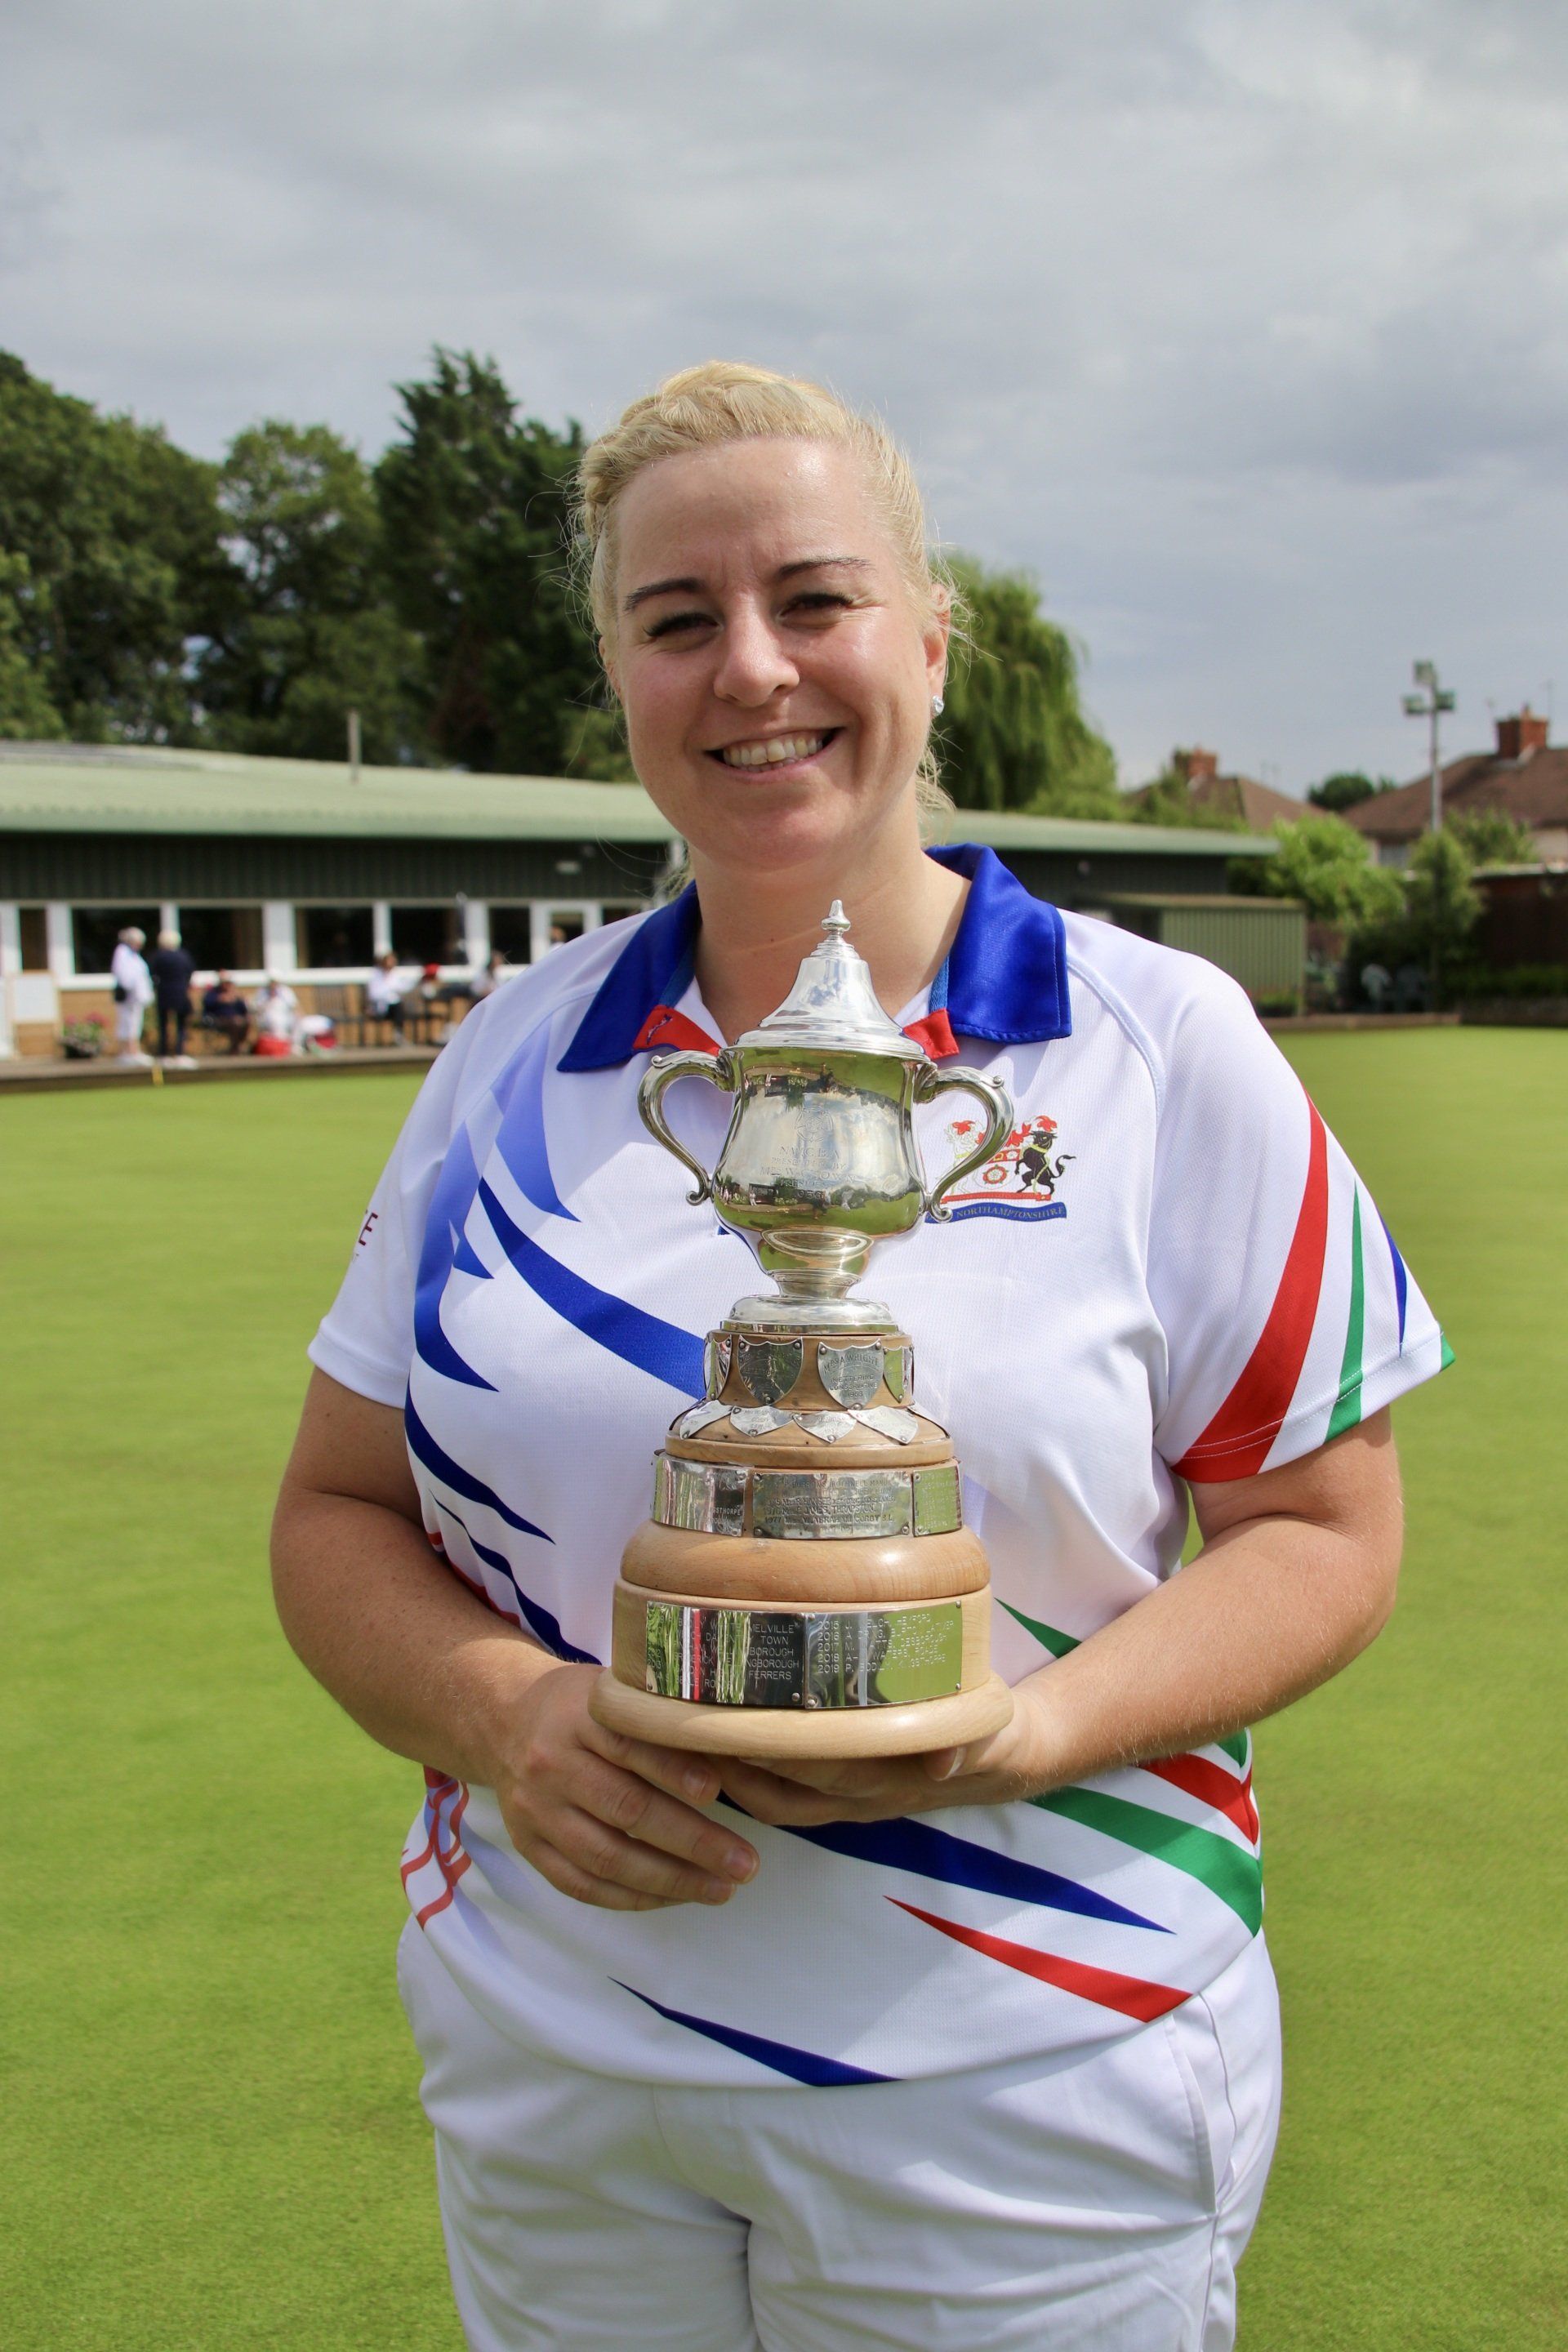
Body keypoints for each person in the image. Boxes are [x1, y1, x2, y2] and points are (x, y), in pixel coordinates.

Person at [273, 363, 1450, 2352]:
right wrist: (504, 1713)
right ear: (620, 674)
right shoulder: (507, 1059)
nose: (753, 668)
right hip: (559, 2071)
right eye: (677, 620)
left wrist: (1026, 1733)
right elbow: (334, 1509)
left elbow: (1326, 1531)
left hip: (1025, 2061)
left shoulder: (1158, 1046)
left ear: (928, 638)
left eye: (813, 599)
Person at [149, 928, 196, 1062]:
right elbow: (190, 972)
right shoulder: (184, 956)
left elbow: (151, 973)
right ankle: (180, 1053)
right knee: (181, 1024)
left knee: (163, 1025)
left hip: (163, 992)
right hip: (180, 992)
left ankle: (163, 1054)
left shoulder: (157, 956)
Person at [109, 926, 154, 1063]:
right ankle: (128, 1052)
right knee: (127, 1023)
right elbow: (124, 975)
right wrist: (132, 989)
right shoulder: (123, 952)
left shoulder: (133, 954)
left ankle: (133, 1051)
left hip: (136, 997)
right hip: (129, 996)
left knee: (134, 1023)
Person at [201, 971, 251, 1054]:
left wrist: (239, 999)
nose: (227, 985)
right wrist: (219, 999)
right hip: (218, 1019)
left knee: (246, 1022)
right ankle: (234, 1049)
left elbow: (244, 1010)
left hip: (236, 1019)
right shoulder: (213, 993)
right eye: (225, 983)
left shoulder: (235, 994)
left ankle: (236, 1046)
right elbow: (207, 1003)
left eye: (229, 983)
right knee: (235, 1023)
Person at [252, 975, 298, 1058]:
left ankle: (291, 1046)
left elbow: (294, 1006)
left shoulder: (286, 991)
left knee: (297, 1022)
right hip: (267, 1016)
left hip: (285, 1016)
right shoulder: (262, 992)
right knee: (275, 1021)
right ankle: (279, 1047)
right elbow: (257, 1008)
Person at [367, 950, 407, 1036]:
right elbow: (373, 994)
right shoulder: (376, 975)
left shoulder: (395, 975)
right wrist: (387, 993)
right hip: (379, 1006)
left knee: (399, 1007)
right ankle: (396, 1034)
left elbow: (401, 989)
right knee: (397, 1007)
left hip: (394, 1006)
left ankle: (398, 1034)